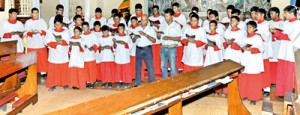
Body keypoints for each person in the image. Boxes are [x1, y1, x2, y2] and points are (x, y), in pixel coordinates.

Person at [270, 5, 300, 99]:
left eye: (286, 13)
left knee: (289, 75)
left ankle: (289, 95)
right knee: (282, 73)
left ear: (292, 13)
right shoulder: (286, 23)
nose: (284, 15)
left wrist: (276, 33)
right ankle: (281, 93)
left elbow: (290, 37)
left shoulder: (298, 23)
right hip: (283, 51)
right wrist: (276, 34)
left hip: (292, 52)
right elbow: (283, 35)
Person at [239, 21, 264, 105]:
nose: (248, 29)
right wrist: (243, 48)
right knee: (244, 77)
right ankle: (244, 94)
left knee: (253, 79)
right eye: (247, 27)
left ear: (254, 28)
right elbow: (242, 46)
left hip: (254, 60)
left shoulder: (257, 37)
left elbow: (261, 49)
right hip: (245, 59)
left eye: (250, 27)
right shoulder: (244, 37)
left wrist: (251, 49)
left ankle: (253, 97)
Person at [45, 15, 70, 91]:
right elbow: (46, 42)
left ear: (62, 24)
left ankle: (64, 83)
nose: (57, 26)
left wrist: (62, 42)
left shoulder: (66, 32)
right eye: (56, 24)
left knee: (63, 68)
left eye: (59, 25)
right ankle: (52, 84)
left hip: (63, 52)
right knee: (53, 68)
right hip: (54, 53)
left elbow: (69, 41)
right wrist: (55, 43)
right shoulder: (50, 31)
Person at [24, 8, 48, 78]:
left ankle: (43, 72)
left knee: (42, 59)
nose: (36, 14)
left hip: (41, 43)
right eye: (34, 13)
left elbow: (46, 30)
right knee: (32, 59)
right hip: (32, 43)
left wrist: (40, 31)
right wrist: (32, 32)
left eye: (37, 12)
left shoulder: (42, 21)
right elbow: (26, 32)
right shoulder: (28, 22)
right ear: (32, 14)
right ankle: (32, 71)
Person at [134, 14, 157, 86]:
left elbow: (154, 40)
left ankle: (152, 82)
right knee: (138, 66)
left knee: (150, 66)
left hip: (147, 49)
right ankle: (137, 83)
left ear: (147, 21)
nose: (143, 22)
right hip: (138, 49)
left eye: (145, 20)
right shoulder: (136, 29)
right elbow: (133, 40)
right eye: (142, 20)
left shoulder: (151, 29)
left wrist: (145, 34)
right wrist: (134, 37)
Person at [160, 8, 182, 78]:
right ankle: (164, 82)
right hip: (163, 47)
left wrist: (169, 37)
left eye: (167, 16)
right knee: (163, 66)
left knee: (173, 67)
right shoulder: (163, 25)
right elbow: (160, 36)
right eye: (165, 16)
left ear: (172, 16)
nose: (166, 18)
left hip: (172, 48)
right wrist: (158, 35)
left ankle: (173, 83)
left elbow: (179, 38)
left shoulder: (176, 26)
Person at [256, 8, 272, 96]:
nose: (256, 16)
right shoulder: (255, 24)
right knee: (258, 68)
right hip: (256, 50)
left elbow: (266, 37)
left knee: (265, 69)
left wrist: (258, 34)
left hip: (264, 50)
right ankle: (259, 86)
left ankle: (267, 88)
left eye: (257, 14)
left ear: (262, 15)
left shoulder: (266, 24)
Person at [113, 23, 133, 89]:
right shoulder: (116, 37)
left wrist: (124, 43)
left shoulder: (127, 37)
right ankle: (119, 81)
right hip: (118, 55)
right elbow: (114, 47)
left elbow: (130, 46)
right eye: (119, 28)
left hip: (125, 55)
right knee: (119, 69)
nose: (120, 30)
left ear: (124, 29)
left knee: (125, 69)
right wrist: (114, 43)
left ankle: (126, 81)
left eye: (121, 28)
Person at [268, 7, 284, 85]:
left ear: (277, 13)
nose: (271, 15)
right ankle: (271, 80)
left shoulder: (282, 23)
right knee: (270, 62)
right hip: (270, 45)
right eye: (270, 14)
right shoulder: (269, 22)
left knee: (277, 62)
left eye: (272, 13)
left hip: (278, 45)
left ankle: (278, 80)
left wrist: (275, 32)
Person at [81, 22, 98, 88]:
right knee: (85, 69)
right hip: (84, 55)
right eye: (83, 27)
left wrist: (93, 47)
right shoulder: (81, 36)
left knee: (91, 69)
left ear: (88, 27)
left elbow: (96, 43)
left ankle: (92, 81)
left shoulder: (93, 35)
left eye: (86, 27)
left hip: (91, 55)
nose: (85, 28)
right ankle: (87, 81)